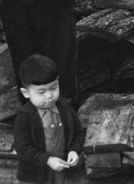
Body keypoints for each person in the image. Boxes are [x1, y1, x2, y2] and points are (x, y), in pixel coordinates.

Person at [13, 55, 84, 184]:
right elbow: (22, 147)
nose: (50, 96)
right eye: (41, 92)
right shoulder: (25, 116)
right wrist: (47, 160)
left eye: (53, 88)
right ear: (26, 93)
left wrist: (74, 150)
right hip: (35, 175)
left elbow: (78, 133)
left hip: (63, 171)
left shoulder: (66, 108)